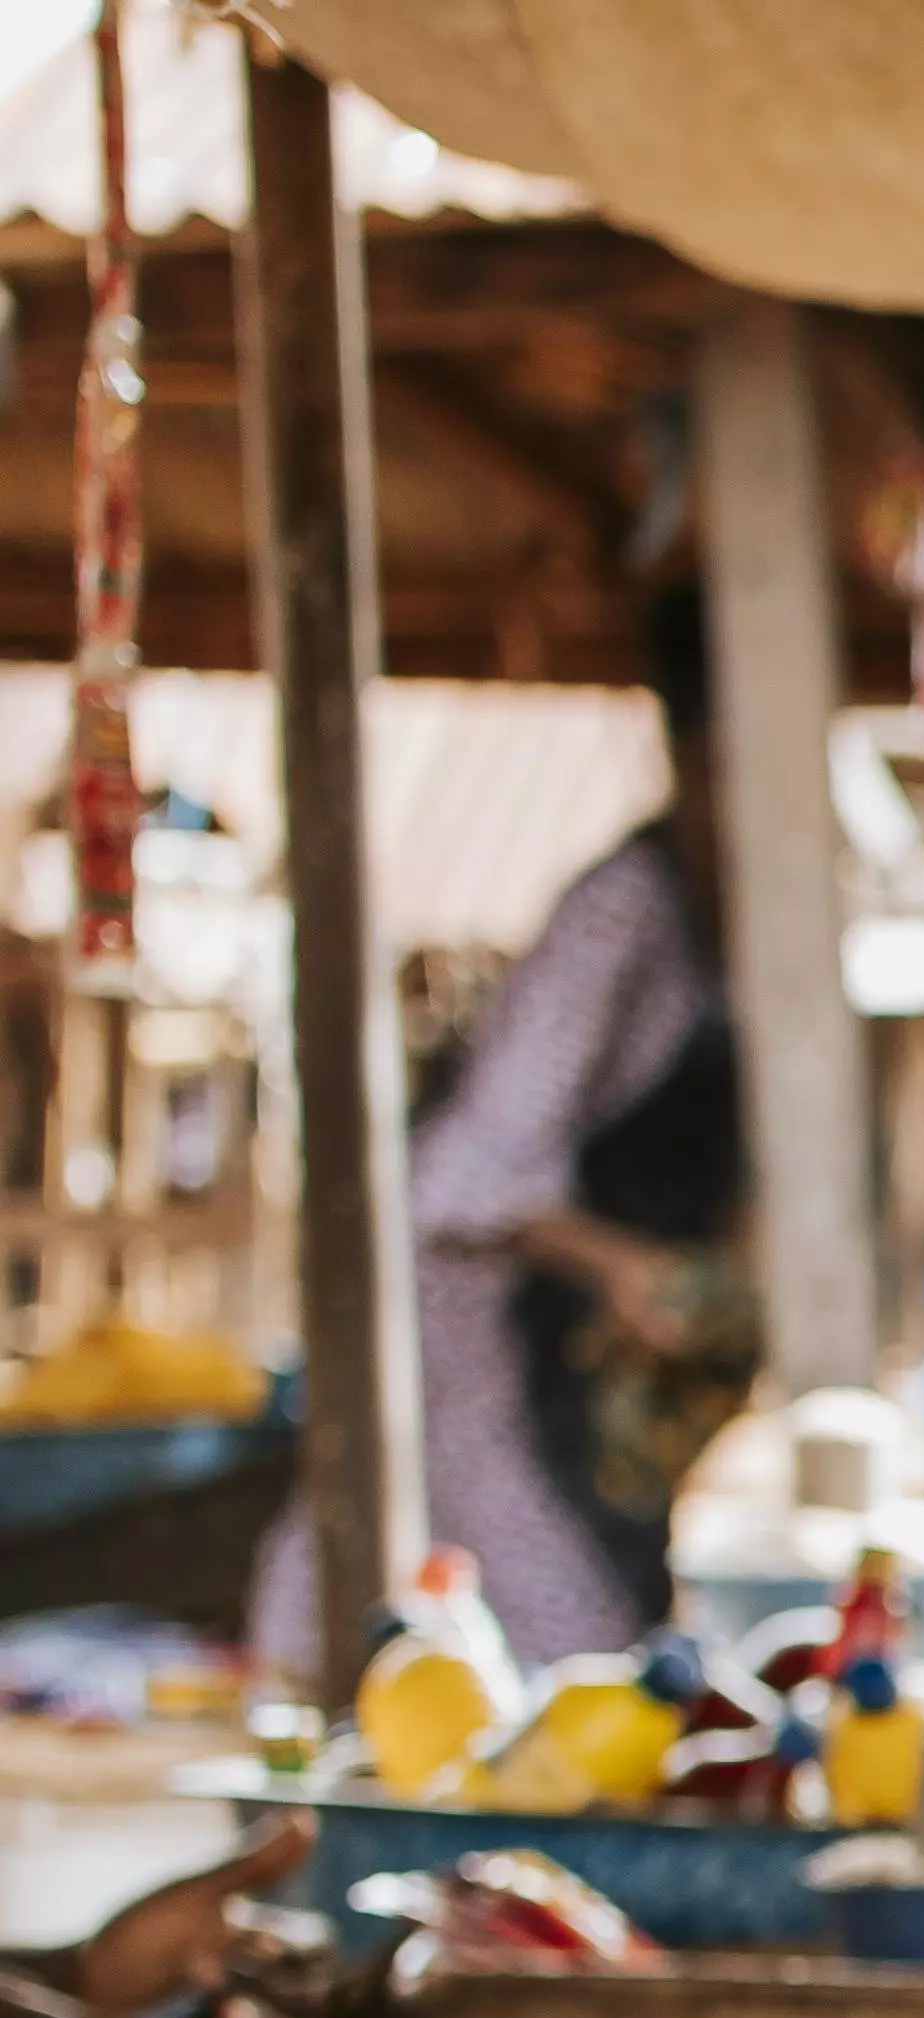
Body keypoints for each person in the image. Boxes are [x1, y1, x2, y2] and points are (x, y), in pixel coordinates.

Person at [254, 590, 752, 1676]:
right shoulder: (627, 910)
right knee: (569, 1632)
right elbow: (468, 1176)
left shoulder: (728, 920)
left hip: (565, 1344)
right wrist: (628, 1270)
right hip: (479, 1322)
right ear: (704, 763)